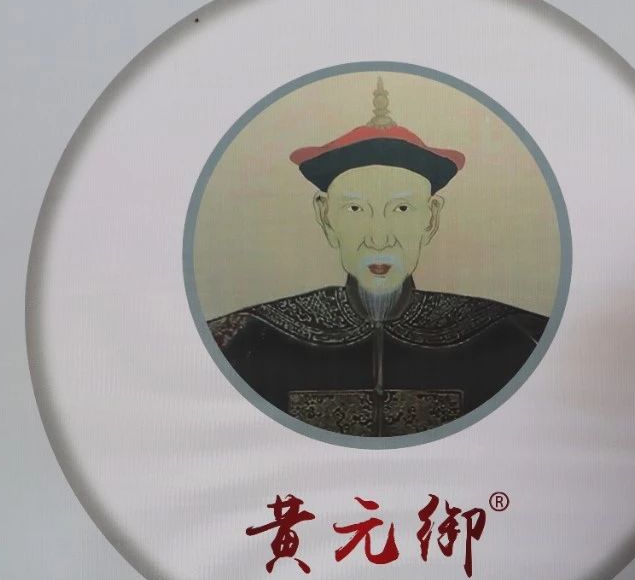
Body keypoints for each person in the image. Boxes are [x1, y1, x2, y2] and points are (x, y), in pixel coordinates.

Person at [208, 78, 548, 438]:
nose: (379, 238)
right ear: (325, 216)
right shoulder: (249, 337)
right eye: (355, 209)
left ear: (431, 218)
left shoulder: (508, 336)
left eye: (401, 209)